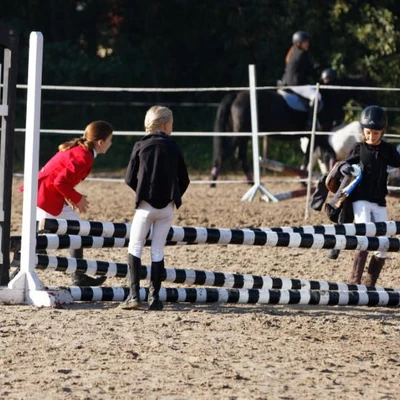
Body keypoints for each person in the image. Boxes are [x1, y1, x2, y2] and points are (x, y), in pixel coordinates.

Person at [121, 106, 190, 310]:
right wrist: (172, 197)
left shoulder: (140, 146)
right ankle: (155, 298)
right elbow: (184, 179)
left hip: (145, 206)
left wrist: (141, 191)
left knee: (135, 246)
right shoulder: (174, 146)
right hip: (167, 208)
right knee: (157, 250)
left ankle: (134, 296)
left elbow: (128, 178)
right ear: (166, 124)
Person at [33, 120, 114, 286]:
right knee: (42, 244)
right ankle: (13, 274)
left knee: (75, 229)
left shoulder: (82, 151)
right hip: (45, 195)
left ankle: (79, 276)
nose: (111, 143)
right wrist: (77, 198)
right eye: (110, 140)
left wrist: (70, 197)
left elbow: (61, 179)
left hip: (45, 192)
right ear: (100, 142)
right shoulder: (84, 156)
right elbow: (60, 181)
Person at [344, 105, 400, 286]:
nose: (371, 137)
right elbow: (345, 166)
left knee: (383, 244)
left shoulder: (387, 149)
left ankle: (370, 283)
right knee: (365, 236)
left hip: (379, 201)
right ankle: (354, 282)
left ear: (382, 132)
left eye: (375, 134)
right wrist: (344, 168)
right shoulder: (358, 148)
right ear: (363, 131)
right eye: (368, 133)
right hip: (360, 200)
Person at [280, 30, 319, 129]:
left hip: (287, 82)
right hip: (296, 84)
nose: (308, 44)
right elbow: (309, 70)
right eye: (305, 42)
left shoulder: (293, 53)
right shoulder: (302, 54)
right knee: (316, 96)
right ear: (299, 43)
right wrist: (318, 78)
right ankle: (311, 123)